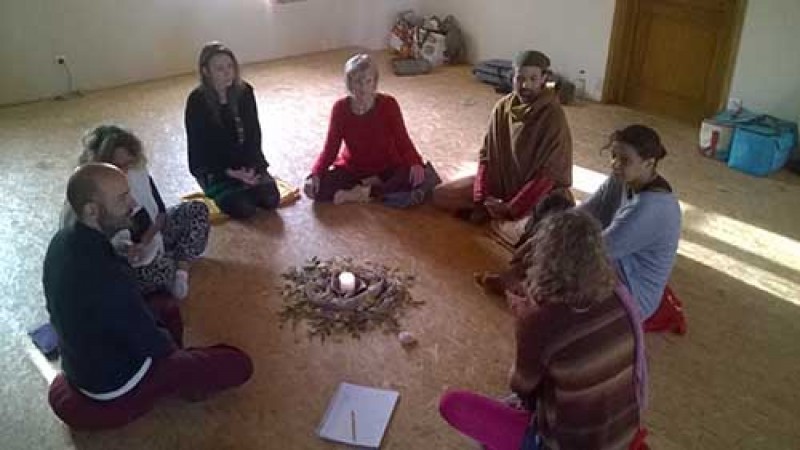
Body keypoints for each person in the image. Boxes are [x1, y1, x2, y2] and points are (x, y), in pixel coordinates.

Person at [44, 163, 253, 430]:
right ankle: (176, 382)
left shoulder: (61, 242)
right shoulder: (107, 276)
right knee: (238, 364)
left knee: (163, 306)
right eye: (122, 199)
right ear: (92, 210)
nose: (132, 203)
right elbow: (150, 342)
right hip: (119, 383)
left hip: (81, 366)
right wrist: (177, 360)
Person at [440, 210, 648, 450]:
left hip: (565, 444)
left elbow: (522, 390)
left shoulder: (541, 320)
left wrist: (523, 322)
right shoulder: (618, 296)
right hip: (622, 436)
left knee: (453, 404)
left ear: (544, 258)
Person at [62, 125, 209, 299]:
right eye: (117, 165)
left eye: (128, 164)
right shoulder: (88, 192)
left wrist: (147, 241)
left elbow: (159, 213)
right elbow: (96, 251)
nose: (124, 171)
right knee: (160, 270)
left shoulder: (136, 172)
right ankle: (171, 262)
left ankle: (180, 265)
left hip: (145, 239)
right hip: (119, 258)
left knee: (197, 210)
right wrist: (128, 250)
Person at [432, 50, 572, 224]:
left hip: (536, 194)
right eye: (520, 79)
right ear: (512, 77)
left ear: (544, 79)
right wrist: (480, 197)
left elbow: (549, 176)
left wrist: (511, 209)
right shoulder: (503, 107)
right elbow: (486, 157)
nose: (525, 85)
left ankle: (505, 219)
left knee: (548, 225)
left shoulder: (552, 115)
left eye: (533, 79)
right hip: (500, 185)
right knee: (440, 195)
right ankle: (495, 216)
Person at [576, 124, 681, 321]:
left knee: (566, 268)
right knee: (554, 221)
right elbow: (589, 209)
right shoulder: (621, 179)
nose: (615, 164)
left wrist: (553, 244)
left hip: (635, 296)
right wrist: (553, 228)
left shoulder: (650, 208)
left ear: (649, 164)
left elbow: (597, 251)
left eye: (624, 160)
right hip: (618, 262)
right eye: (613, 155)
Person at [304, 53, 429, 204]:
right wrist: (315, 174)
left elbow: (402, 140)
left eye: (368, 81)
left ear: (374, 83)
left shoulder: (388, 104)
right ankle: (371, 186)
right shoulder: (340, 108)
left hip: (388, 166)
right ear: (349, 83)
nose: (363, 88)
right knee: (317, 190)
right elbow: (330, 149)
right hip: (354, 168)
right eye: (357, 82)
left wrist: (415, 162)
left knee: (415, 177)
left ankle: (364, 193)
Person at [185, 42, 280, 219]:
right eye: (219, 68)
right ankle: (238, 191)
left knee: (271, 200)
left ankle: (248, 187)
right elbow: (198, 149)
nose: (227, 72)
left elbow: (254, 135)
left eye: (230, 66)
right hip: (216, 170)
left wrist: (251, 167)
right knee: (244, 209)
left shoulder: (245, 92)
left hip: (246, 163)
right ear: (206, 72)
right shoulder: (197, 102)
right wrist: (230, 172)